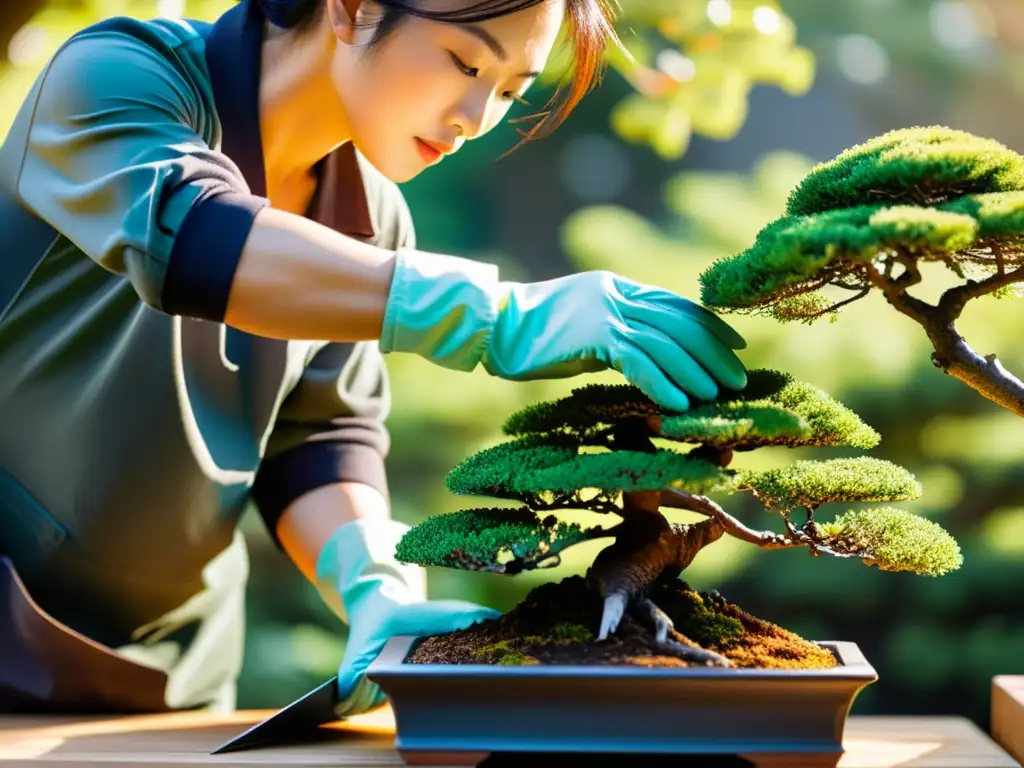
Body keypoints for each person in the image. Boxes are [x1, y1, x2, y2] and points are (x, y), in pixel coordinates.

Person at [0, 0, 748, 717]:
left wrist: (373, 585)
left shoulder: (375, 220)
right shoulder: (116, 77)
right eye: (464, 62)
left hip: (173, 682)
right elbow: (195, 241)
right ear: (351, 6)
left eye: (510, 90)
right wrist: (493, 315)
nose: (476, 118)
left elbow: (318, 438)